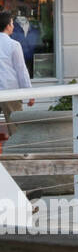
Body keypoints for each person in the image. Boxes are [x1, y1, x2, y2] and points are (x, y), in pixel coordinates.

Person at [0, 10, 34, 155]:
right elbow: (21, 71)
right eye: (12, 23)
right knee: (16, 129)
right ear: (7, 25)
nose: (13, 26)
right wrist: (30, 93)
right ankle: (18, 156)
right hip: (10, 91)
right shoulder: (13, 45)